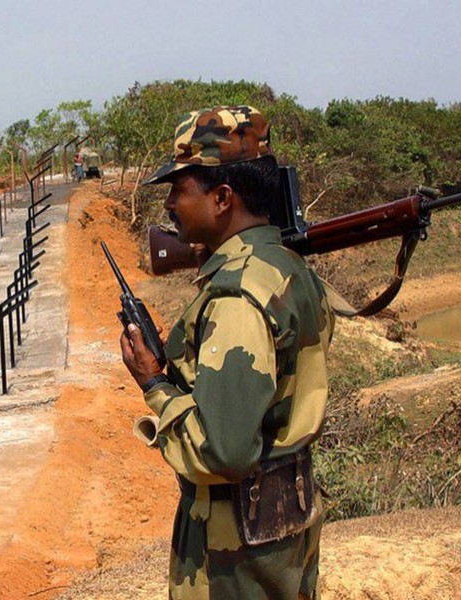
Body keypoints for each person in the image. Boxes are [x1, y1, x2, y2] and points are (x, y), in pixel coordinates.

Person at [118, 106, 334, 600]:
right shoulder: (286, 266)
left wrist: (154, 385)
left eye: (179, 189)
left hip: (234, 556)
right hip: (283, 530)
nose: (170, 203)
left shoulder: (237, 297)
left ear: (221, 198)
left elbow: (226, 451)